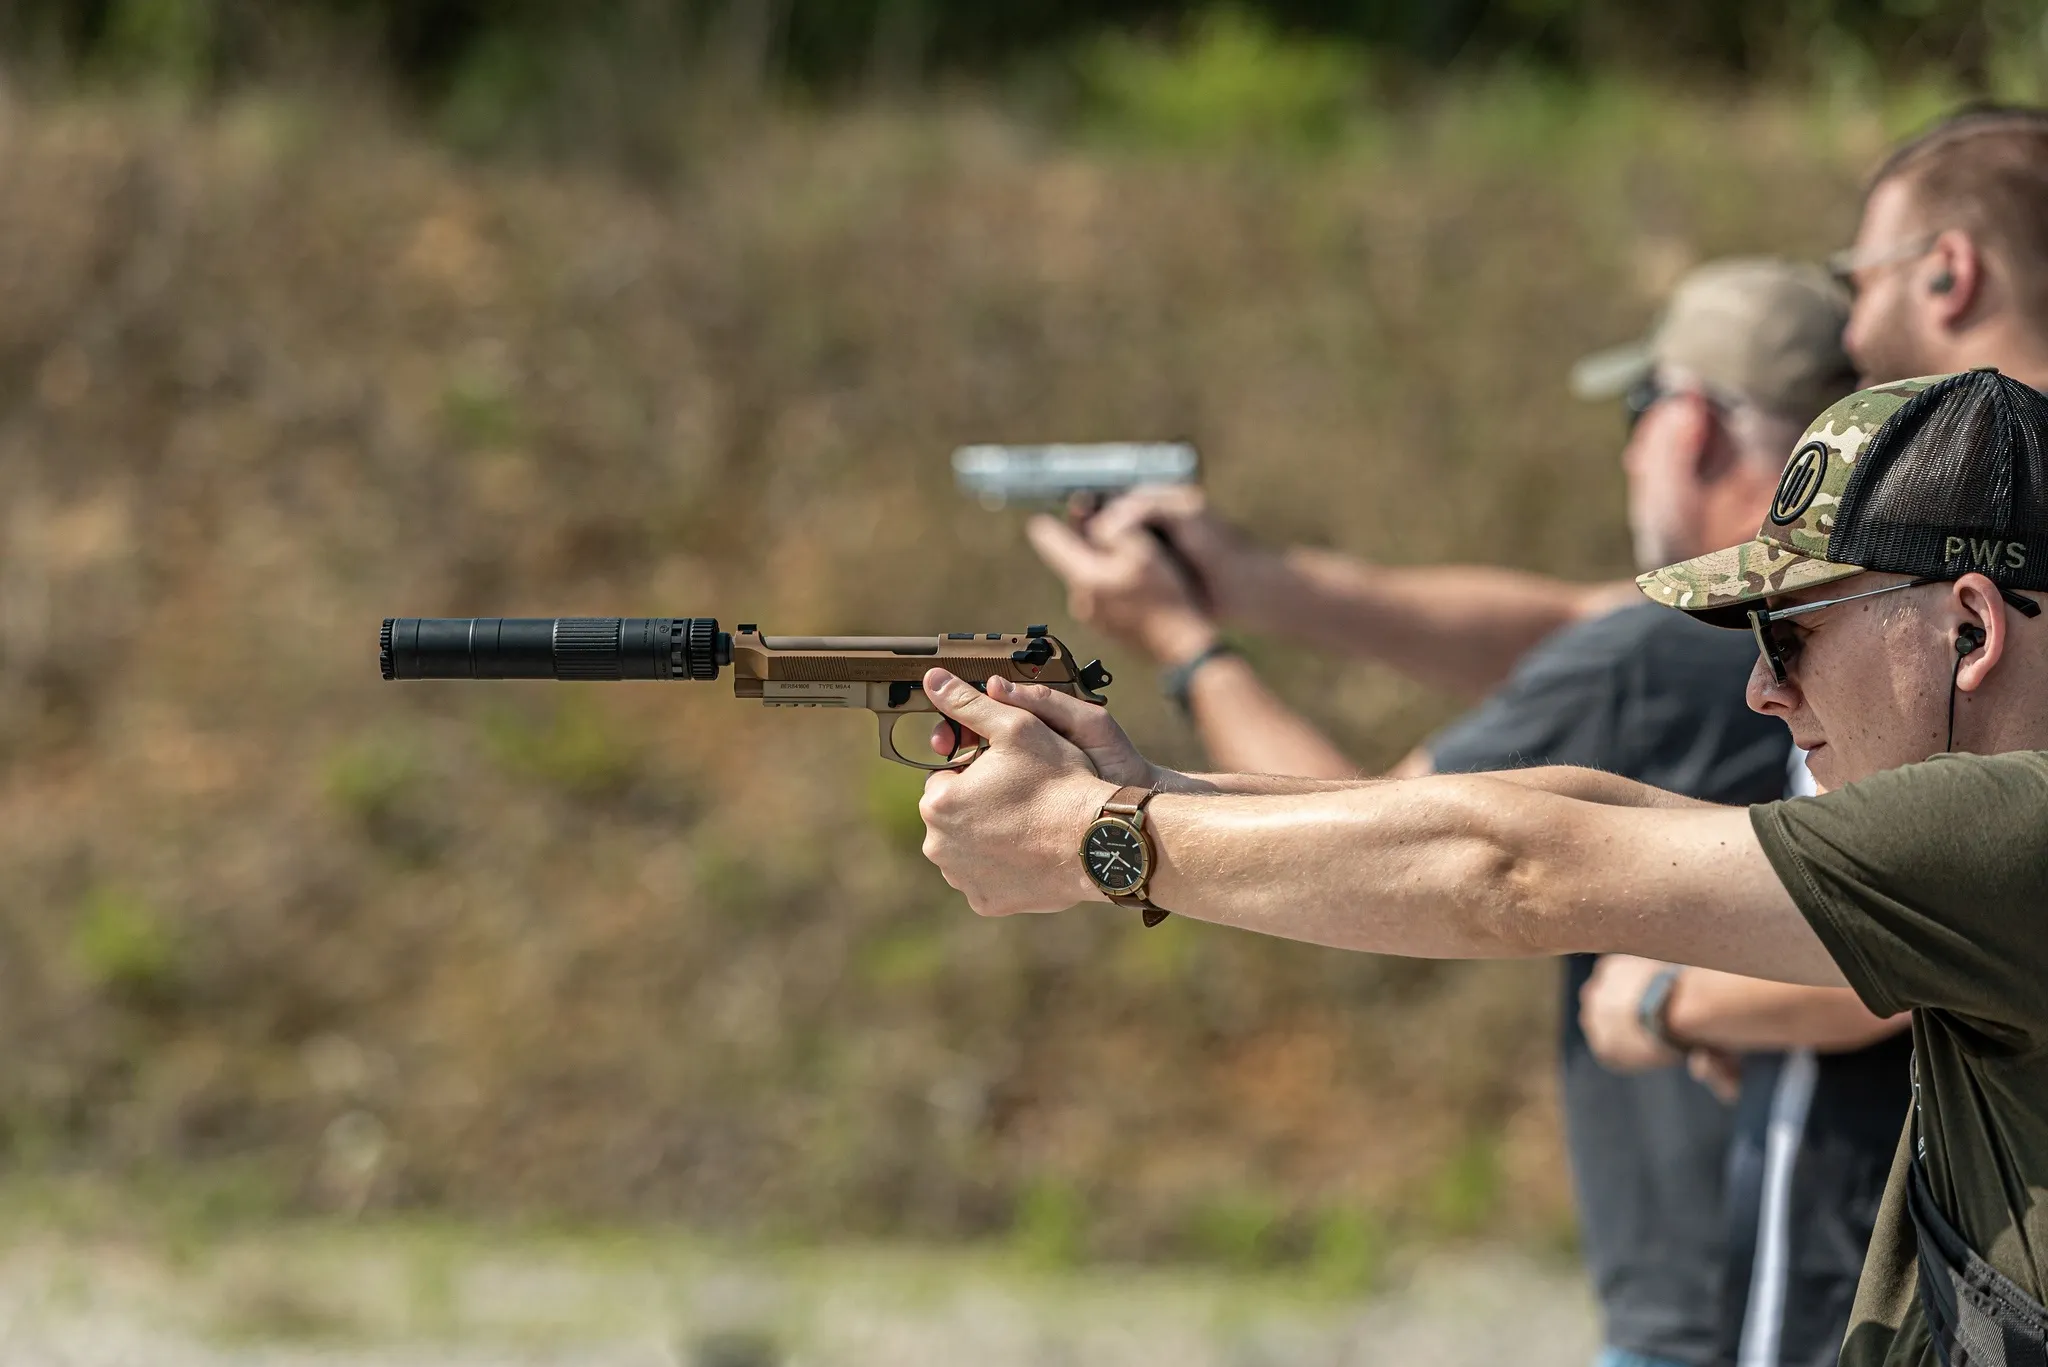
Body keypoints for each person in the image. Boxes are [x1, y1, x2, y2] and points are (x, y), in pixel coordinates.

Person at [917, 367, 2048, 1367]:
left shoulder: (2009, 836)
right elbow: (1559, 811)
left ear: (1967, 627)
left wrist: (1101, 839)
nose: (1761, 689)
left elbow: (1514, 868)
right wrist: (1146, 798)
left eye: (1787, 634)